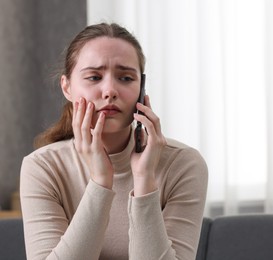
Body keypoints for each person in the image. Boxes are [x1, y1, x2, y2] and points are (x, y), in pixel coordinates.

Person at [20, 22, 208, 260]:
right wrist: (100, 182)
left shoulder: (183, 164)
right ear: (67, 87)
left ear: (142, 87)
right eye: (94, 77)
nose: (109, 90)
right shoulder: (42, 167)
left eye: (126, 78)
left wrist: (144, 180)